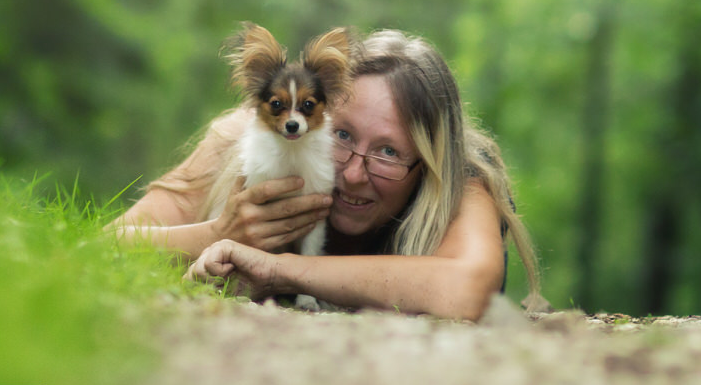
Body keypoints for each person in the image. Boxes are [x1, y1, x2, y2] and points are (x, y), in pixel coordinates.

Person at [106, 29, 542, 320]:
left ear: (429, 162)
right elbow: (105, 246)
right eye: (344, 135)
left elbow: (469, 288)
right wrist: (218, 233)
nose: (353, 174)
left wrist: (284, 269)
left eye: (389, 151)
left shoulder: (460, 179)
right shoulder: (243, 144)